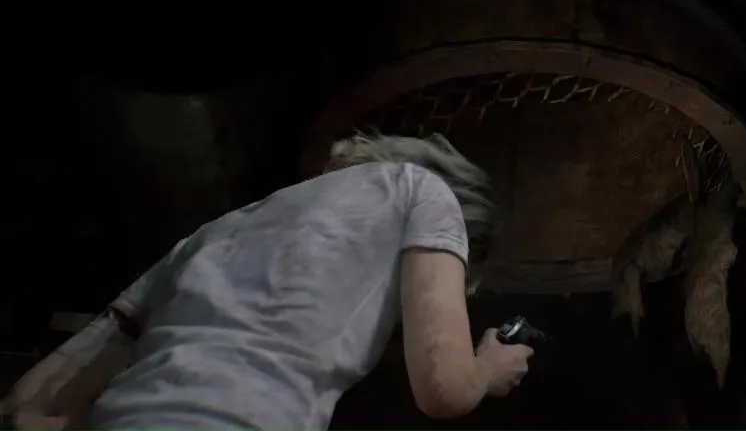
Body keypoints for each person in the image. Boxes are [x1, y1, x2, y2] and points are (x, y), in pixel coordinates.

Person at [0, 132, 534, 429]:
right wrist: (487, 370)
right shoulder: (422, 193)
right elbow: (444, 390)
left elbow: (33, 400)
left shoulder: (214, 231)